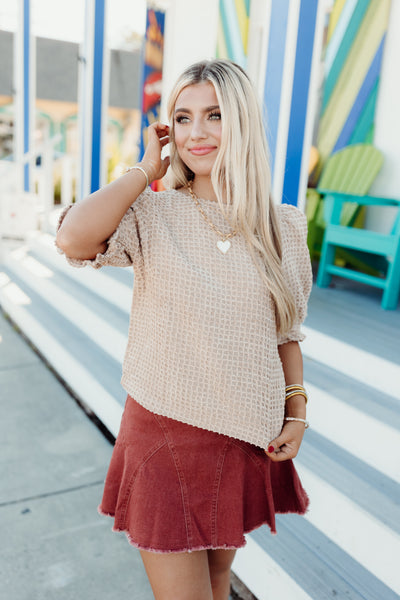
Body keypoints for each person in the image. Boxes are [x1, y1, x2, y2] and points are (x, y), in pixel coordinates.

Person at [56, 58, 312, 600]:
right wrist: (144, 172)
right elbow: (73, 240)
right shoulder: (153, 215)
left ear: (242, 122)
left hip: (244, 434)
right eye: (184, 117)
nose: (197, 133)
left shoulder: (282, 225)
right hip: (165, 432)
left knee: (220, 582)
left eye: (215, 115)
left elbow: (286, 332)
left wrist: (297, 410)